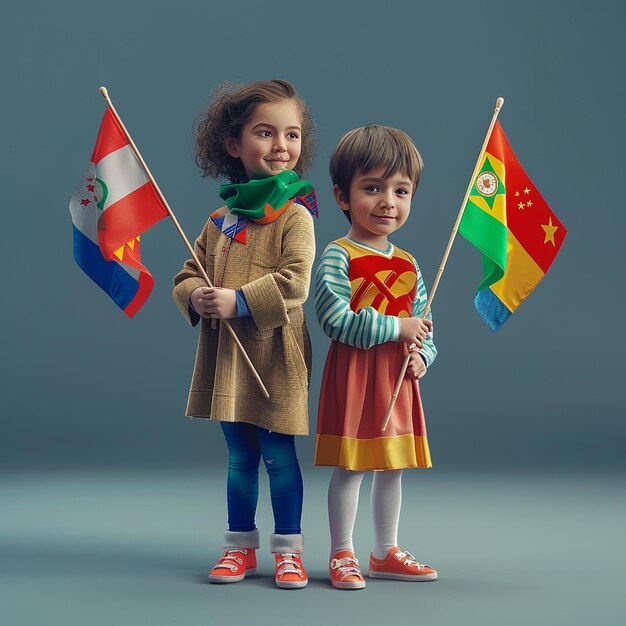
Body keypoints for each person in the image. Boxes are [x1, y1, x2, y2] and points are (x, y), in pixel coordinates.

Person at [173, 79, 318, 589]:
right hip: (229, 358)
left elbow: (296, 281)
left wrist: (236, 300)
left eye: (292, 134)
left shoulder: (296, 214)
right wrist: (194, 295)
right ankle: (239, 546)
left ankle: (289, 549)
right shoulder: (221, 218)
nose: (281, 146)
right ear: (234, 145)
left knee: (280, 456)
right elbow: (187, 272)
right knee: (240, 457)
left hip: (276, 355)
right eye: (266, 133)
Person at [314, 124, 438, 589]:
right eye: (373, 188)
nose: (388, 201)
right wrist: (395, 327)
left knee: (393, 467)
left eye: (400, 190)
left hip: (397, 380)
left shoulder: (409, 263)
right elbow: (334, 319)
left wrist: (423, 354)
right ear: (342, 196)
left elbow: (424, 322)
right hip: (357, 376)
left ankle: (385, 551)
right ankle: (342, 552)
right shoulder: (337, 255)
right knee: (353, 467)